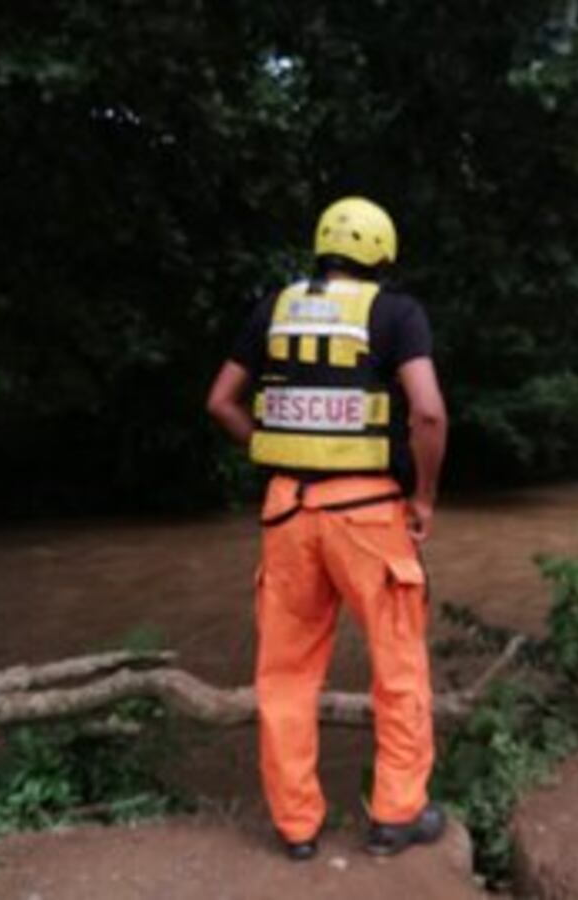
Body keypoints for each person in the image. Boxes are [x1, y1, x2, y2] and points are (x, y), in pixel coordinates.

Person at [206, 197, 448, 859]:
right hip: (369, 515)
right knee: (398, 666)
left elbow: (220, 402)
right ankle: (397, 816)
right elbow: (427, 414)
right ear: (382, 255)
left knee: (284, 672)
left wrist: (275, 449)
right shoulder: (396, 312)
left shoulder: (272, 310)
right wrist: (424, 498)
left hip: (286, 510)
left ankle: (296, 826)